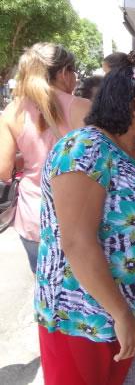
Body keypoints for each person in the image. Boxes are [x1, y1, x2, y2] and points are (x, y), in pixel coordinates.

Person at [34, 64, 135, 385]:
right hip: (84, 316)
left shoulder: (134, 149)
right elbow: (78, 242)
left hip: (126, 313)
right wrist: (121, 314)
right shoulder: (84, 149)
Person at [0, 43, 90, 273]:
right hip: (81, 217)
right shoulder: (83, 108)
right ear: (63, 73)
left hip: (34, 217)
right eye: (73, 71)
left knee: (46, 292)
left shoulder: (13, 111)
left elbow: (3, 170)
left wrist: (30, 159)